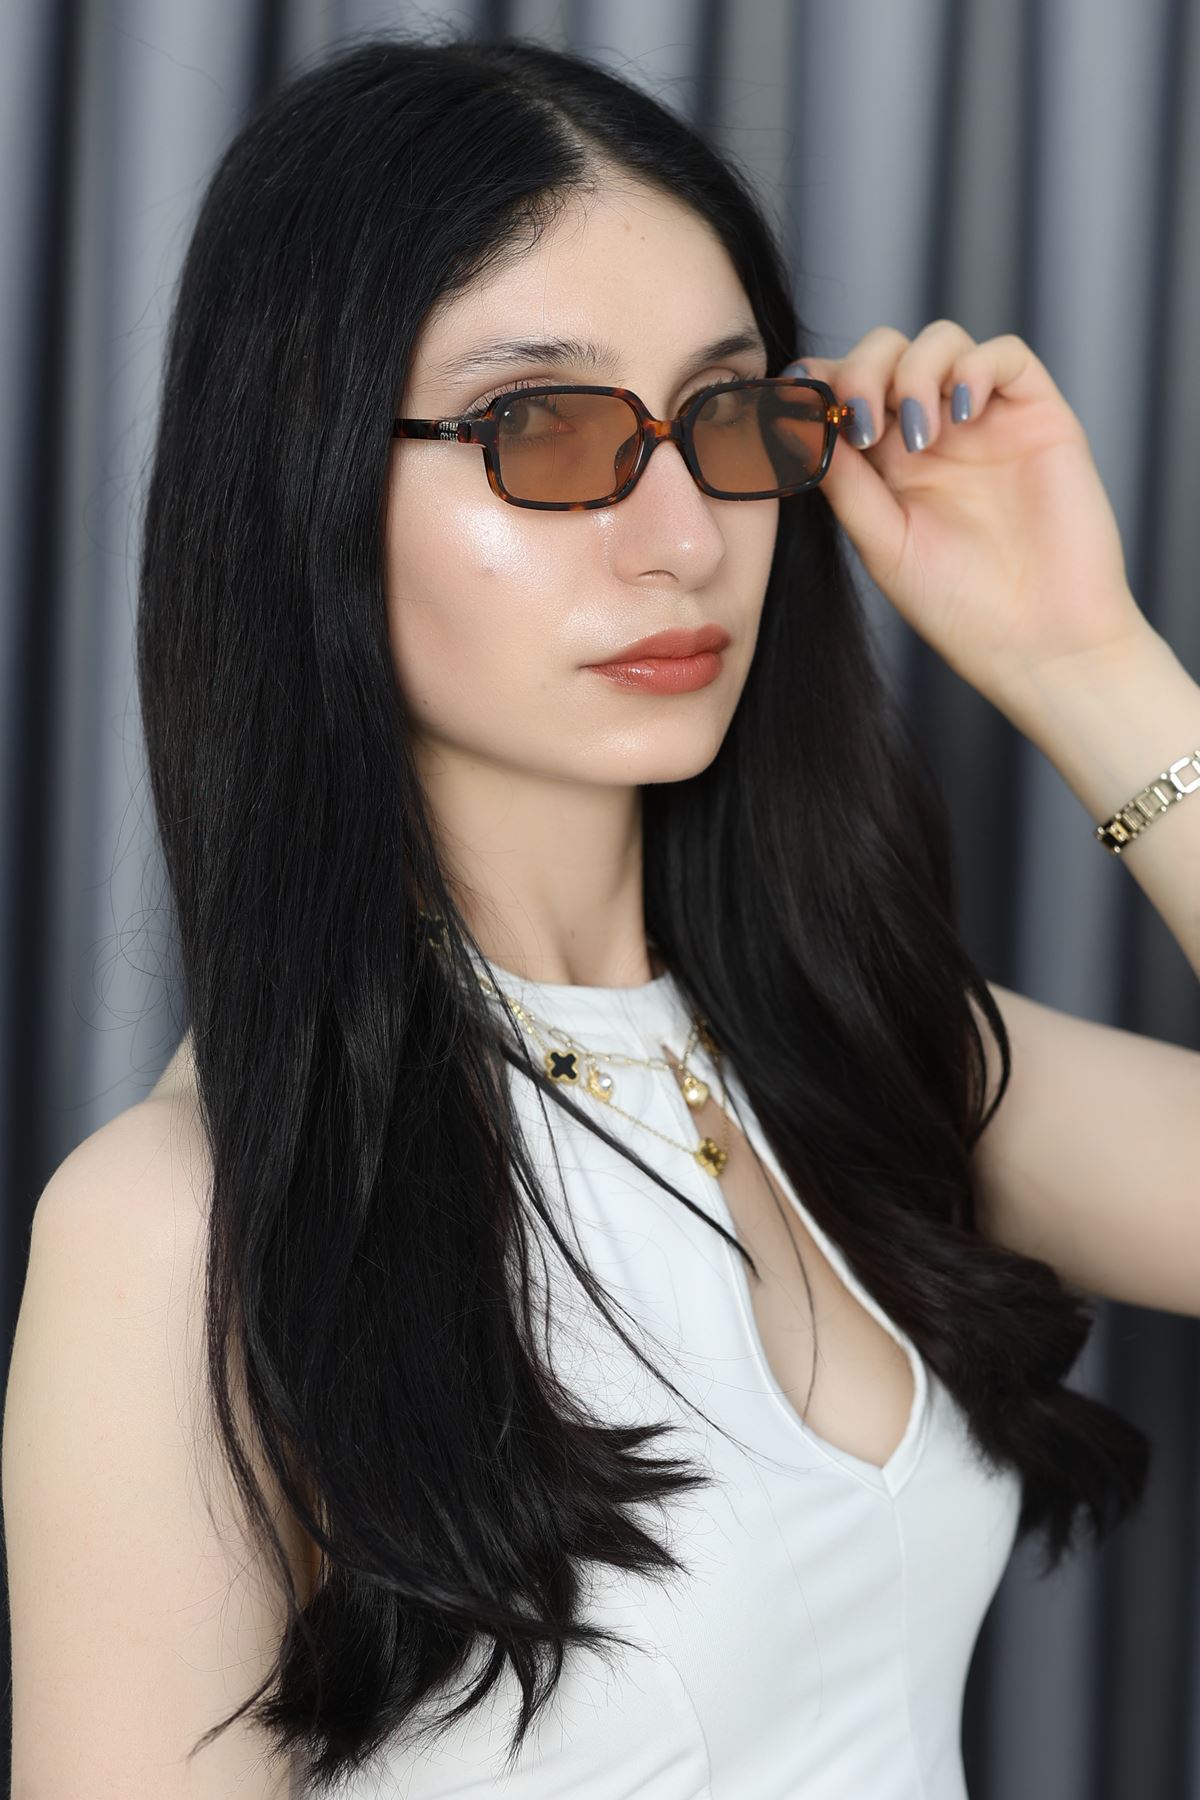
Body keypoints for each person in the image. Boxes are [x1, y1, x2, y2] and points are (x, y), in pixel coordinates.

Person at [13, 25, 1200, 1800]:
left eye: (729, 417)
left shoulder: (856, 1054)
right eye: (543, 430)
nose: (683, 536)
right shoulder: (187, 1231)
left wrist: (1085, 662)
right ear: (310, 480)